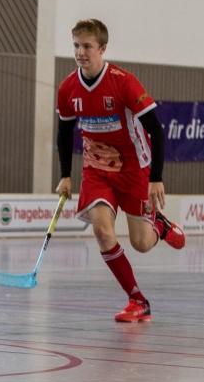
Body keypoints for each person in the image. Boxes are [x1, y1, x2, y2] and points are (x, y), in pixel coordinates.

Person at [54, 19, 185, 323]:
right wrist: (65, 174)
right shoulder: (67, 88)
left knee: (141, 244)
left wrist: (155, 177)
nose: (80, 52)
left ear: (102, 48)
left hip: (133, 168)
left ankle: (160, 226)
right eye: (76, 46)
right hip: (96, 170)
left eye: (87, 46)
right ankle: (137, 300)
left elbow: (156, 130)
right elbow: (64, 133)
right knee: (102, 232)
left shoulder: (124, 82)